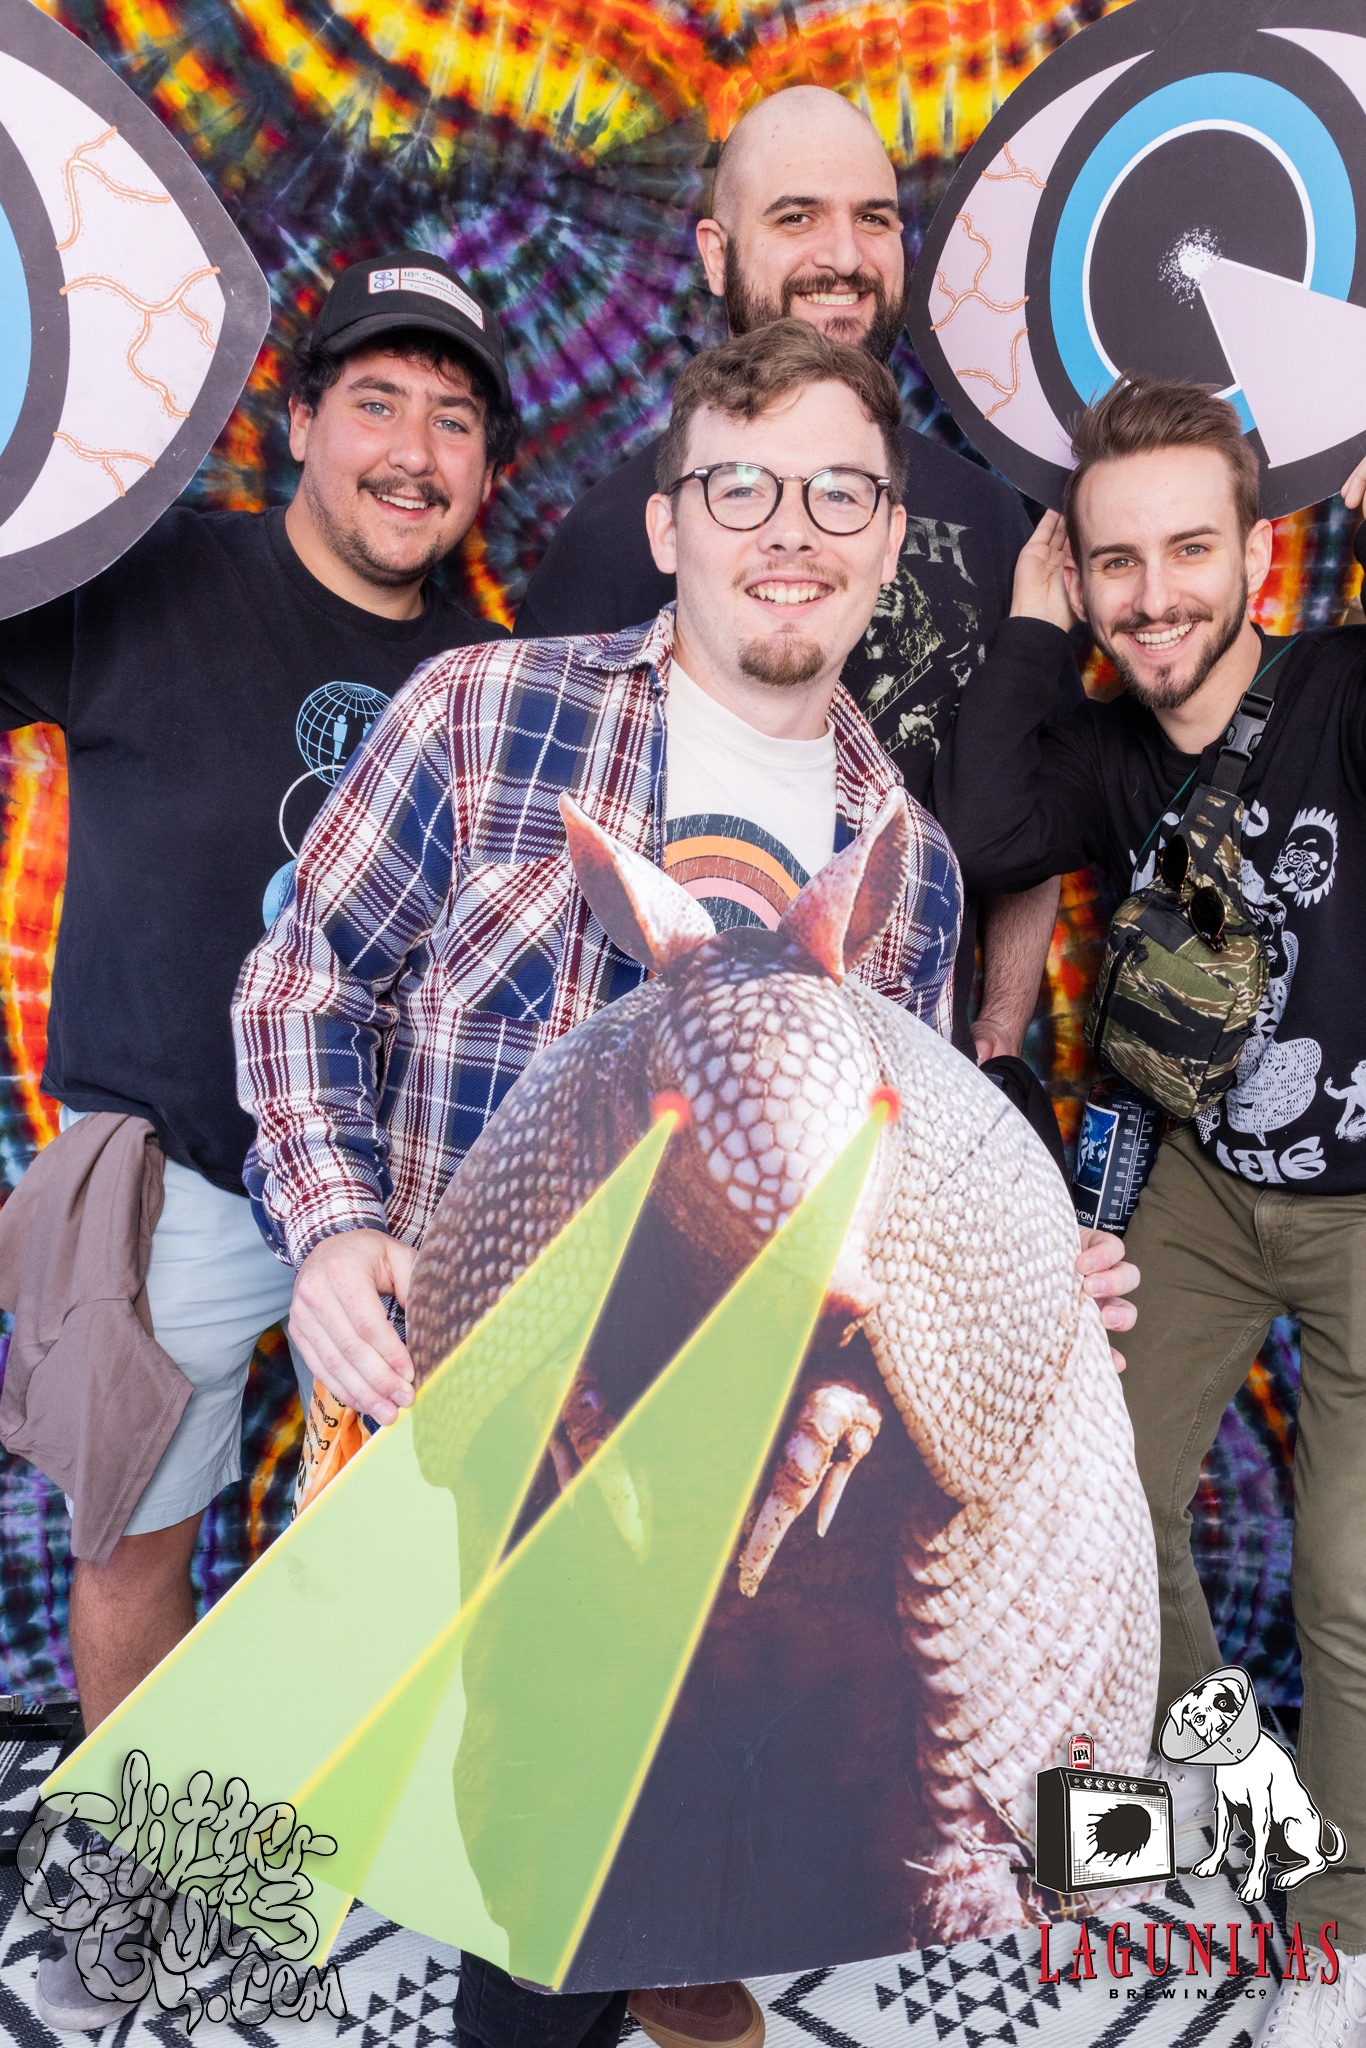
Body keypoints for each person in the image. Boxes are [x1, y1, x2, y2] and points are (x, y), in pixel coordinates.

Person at [235, 321, 1138, 2048]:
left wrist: (1030, 1273)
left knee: (653, 1870)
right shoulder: (481, 714)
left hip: (751, 1505)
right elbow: (304, 983)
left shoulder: (906, 866)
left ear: (889, 538)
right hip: (502, 1424)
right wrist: (336, 1227)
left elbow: (893, 1175)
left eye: (836, 494)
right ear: (668, 525)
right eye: (740, 488)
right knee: (525, 1904)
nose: (788, 529)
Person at [0, 250, 517, 2033]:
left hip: (404, 1203)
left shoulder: (494, 675)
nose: (412, 450)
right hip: (176, 1182)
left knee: (390, 1562)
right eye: (376, 401)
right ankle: (150, 1887)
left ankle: (283, 1846)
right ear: (299, 423)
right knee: (139, 1541)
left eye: (452, 419)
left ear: (484, 470)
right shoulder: (151, 575)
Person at [933, 374, 1366, 2042]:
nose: (1155, 594)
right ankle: (1211, 1789)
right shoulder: (1108, 750)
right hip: (1199, 1188)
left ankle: (1336, 1928)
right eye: (1116, 560)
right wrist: (1033, 627)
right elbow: (983, 827)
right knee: (1090, 1505)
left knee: (1345, 1580)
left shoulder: (1337, 684)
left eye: (1190, 549)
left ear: (1257, 553)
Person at [515, 84, 1069, 1067]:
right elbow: (531, 854)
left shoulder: (991, 518)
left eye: (875, 219)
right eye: (796, 216)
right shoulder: (612, 532)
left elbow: (1033, 811)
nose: (844, 256)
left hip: (892, 1085)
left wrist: (996, 1034)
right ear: (715, 253)